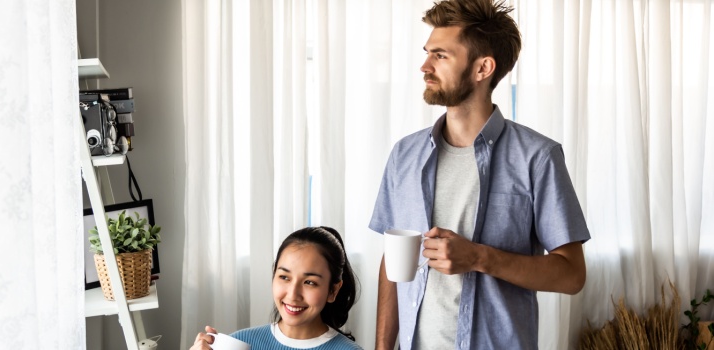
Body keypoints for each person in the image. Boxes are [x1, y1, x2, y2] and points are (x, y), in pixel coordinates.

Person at [369, 0, 591, 349]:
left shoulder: (538, 157)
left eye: (441, 56)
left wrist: (478, 257)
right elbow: (393, 260)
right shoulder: (404, 155)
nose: (425, 66)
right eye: (428, 53)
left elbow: (572, 274)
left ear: (482, 68)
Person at [190, 226, 363, 350]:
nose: (293, 294)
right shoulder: (240, 341)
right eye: (284, 277)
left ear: (333, 291)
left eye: (309, 282)